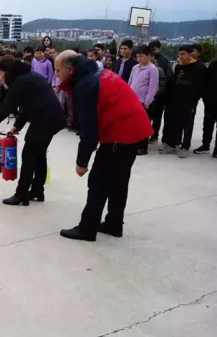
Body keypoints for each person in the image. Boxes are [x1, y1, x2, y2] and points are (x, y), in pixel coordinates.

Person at [54, 50, 153, 241]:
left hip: (120, 134)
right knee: (118, 182)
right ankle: (114, 224)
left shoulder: (87, 84)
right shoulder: (98, 73)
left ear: (70, 69)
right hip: (134, 131)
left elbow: (89, 129)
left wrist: (82, 162)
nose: (57, 75)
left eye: (58, 71)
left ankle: (87, 229)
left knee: (98, 182)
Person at [0, 57, 66, 205]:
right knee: (39, 153)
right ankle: (37, 190)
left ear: (8, 72)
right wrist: (18, 125)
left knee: (29, 154)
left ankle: (21, 194)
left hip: (45, 119)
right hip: (52, 118)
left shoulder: (19, 82)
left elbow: (5, 110)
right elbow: (28, 105)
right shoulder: (27, 77)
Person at [160, 45, 207, 158]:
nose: (180, 56)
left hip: (189, 101)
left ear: (191, 54)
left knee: (187, 124)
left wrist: (193, 100)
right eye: (179, 54)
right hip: (176, 100)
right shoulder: (178, 67)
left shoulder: (199, 67)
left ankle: (185, 147)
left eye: (183, 54)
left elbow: (200, 87)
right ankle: (173, 144)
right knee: (175, 122)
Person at [128, 45, 160, 155]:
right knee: (133, 124)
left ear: (148, 56)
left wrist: (147, 102)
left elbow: (153, 87)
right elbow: (130, 83)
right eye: (137, 56)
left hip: (143, 102)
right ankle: (133, 144)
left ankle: (142, 147)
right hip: (132, 100)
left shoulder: (152, 69)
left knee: (143, 124)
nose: (139, 59)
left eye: (141, 56)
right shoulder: (135, 68)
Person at [148, 40, 173, 143]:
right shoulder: (147, 59)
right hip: (148, 94)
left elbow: (168, 77)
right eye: (151, 50)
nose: (153, 52)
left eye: (155, 49)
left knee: (157, 117)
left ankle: (154, 135)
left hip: (160, 94)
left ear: (159, 48)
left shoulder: (165, 61)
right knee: (147, 116)